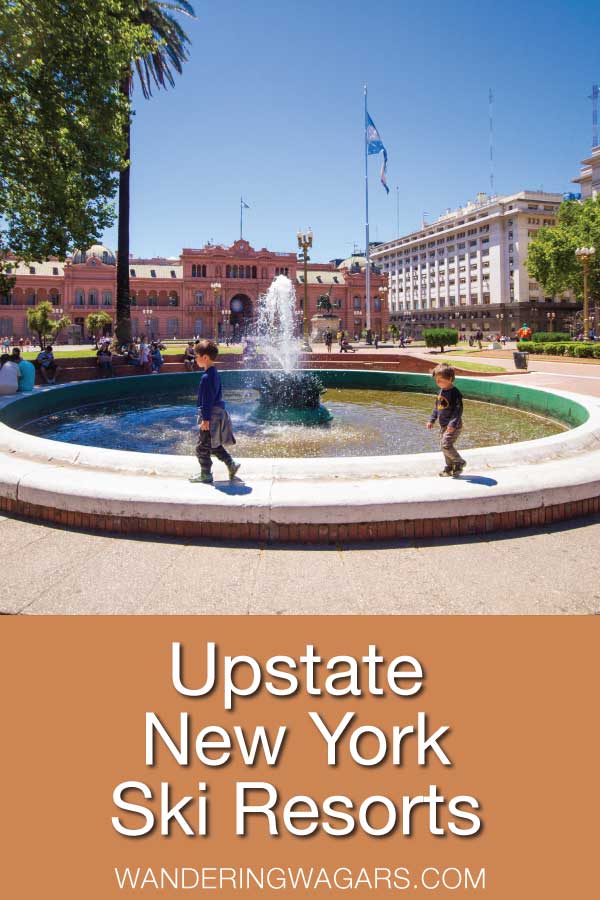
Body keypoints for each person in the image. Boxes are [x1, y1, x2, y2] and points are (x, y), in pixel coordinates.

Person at [189, 339, 240, 485]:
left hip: (210, 416)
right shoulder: (215, 373)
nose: (195, 359)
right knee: (213, 445)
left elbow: (207, 401)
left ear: (205, 357)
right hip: (217, 414)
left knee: (201, 448)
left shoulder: (206, 377)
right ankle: (231, 464)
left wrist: (205, 420)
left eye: (196, 356)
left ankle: (205, 474)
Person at [426, 363, 466, 478]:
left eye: (440, 380)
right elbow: (437, 407)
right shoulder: (441, 391)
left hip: (453, 425)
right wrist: (432, 420)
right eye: (436, 380)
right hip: (443, 425)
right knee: (444, 447)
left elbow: (458, 410)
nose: (438, 383)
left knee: (446, 444)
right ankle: (449, 467)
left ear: (449, 379)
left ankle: (459, 461)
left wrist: (453, 424)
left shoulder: (455, 393)